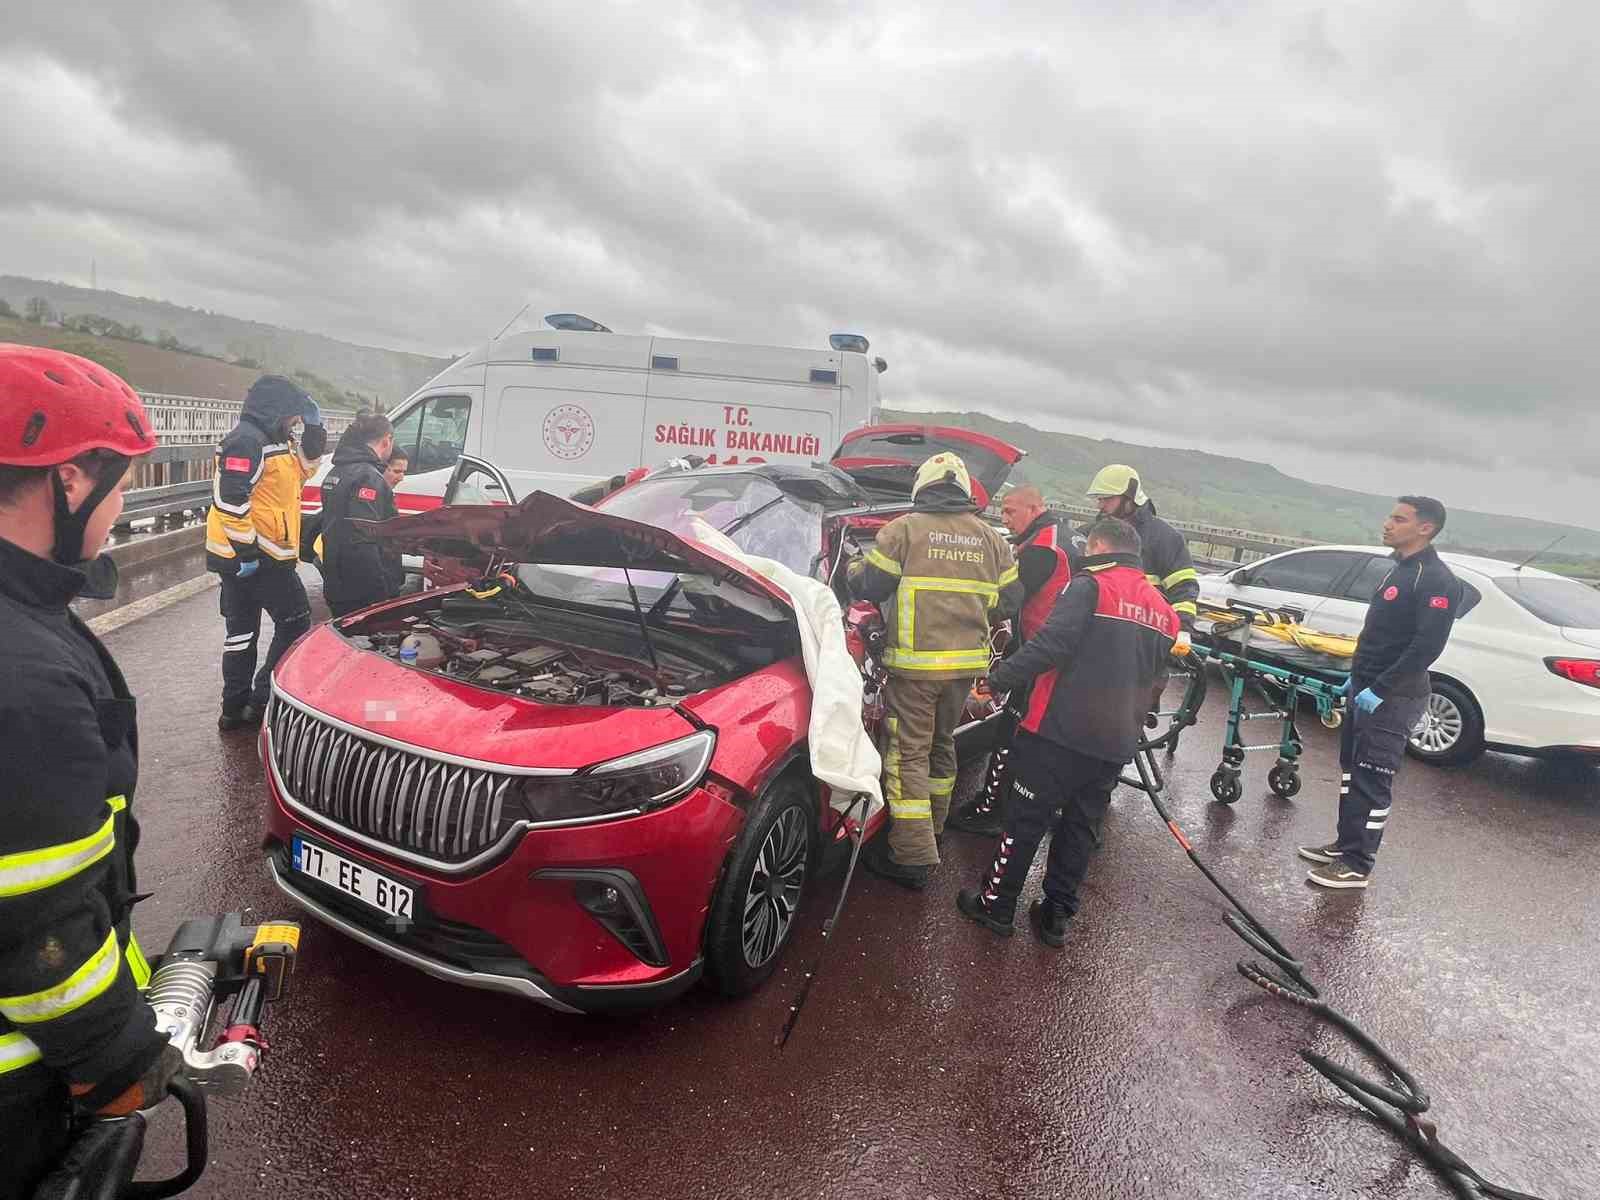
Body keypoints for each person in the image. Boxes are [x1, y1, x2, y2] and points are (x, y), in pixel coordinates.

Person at [0, 346, 181, 1200]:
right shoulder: (23, 679)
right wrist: (115, 1058)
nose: (124, 506)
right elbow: (34, 918)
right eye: (121, 486)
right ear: (66, 482)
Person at [956, 517, 1178, 945]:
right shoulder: (1163, 610)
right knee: (1080, 826)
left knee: (1025, 820)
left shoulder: (1091, 587)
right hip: (1115, 742)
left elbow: (1049, 646)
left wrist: (996, 680)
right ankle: (1056, 916)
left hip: (1060, 732)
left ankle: (995, 905)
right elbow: (1156, 680)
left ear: (1098, 546)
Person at [848, 452, 1020, 889]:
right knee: (942, 747)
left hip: (915, 669)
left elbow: (871, 585)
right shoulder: (992, 539)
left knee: (907, 755)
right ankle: (934, 831)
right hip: (963, 668)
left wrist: (852, 564)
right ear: (963, 492)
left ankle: (911, 856)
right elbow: (1011, 600)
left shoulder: (904, 530)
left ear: (921, 489)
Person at [1298, 497, 1462, 889]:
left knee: (1373, 779)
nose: (1388, 524)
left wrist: (1380, 688)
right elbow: (1380, 636)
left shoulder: (1436, 579)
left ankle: (1358, 863)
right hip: (1365, 687)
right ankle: (1345, 844)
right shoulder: (1398, 570)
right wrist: (1355, 679)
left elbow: (1426, 647)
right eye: (1390, 516)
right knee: (1351, 772)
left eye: (1399, 518)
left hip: (1394, 696)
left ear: (1426, 528)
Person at [947, 485, 1073, 837]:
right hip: (1054, 652)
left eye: (1010, 511)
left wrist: (958, 613)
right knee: (1037, 733)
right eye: (1001, 512)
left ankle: (994, 808)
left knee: (1012, 732)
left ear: (1036, 507)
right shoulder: (1056, 535)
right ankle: (1039, 806)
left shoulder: (1041, 550)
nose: (1004, 518)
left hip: (1040, 654)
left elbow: (1006, 600)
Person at [205, 375, 326, 731]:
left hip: (257, 554)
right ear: (276, 411)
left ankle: (235, 708)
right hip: (258, 555)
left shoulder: (275, 440)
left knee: (242, 632)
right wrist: (247, 553)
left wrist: (314, 430)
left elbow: (306, 468)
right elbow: (230, 500)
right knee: (294, 621)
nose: (295, 422)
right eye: (293, 416)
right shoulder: (246, 441)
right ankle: (258, 700)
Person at [1083, 464, 1199, 631]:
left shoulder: (1165, 538)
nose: (1100, 506)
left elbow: (1184, 591)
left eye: (1107, 499)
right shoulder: (1089, 533)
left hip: (1143, 635)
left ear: (1129, 498)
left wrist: (1181, 631)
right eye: (1099, 499)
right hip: (1095, 630)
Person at [320, 411, 402, 617]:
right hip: (362, 588)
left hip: (336, 578)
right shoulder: (368, 477)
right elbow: (364, 536)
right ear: (387, 440)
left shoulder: (336, 472)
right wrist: (380, 590)